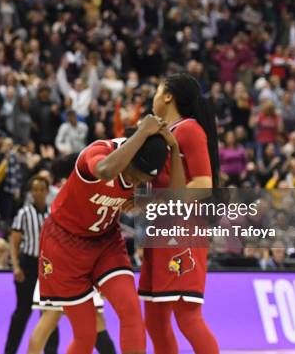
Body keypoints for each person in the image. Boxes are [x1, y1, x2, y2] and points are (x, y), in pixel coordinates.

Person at [38, 115, 184, 354]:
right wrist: (141, 133)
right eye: (134, 175)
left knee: (132, 313)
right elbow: (105, 172)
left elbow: (177, 198)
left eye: (142, 180)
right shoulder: (98, 152)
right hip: (65, 243)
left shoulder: (146, 163)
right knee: (85, 337)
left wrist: (174, 147)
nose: (135, 182)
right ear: (130, 150)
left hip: (106, 240)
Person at [139, 73, 220, 354]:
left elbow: (202, 184)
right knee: (154, 319)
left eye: (157, 89)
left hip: (183, 229)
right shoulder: (159, 132)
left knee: (187, 317)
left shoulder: (189, 129)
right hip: (160, 230)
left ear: (168, 96)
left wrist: (163, 205)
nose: (153, 95)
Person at [4, 175, 59, 354]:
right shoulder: (24, 213)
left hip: (49, 267)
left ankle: (51, 351)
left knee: (49, 312)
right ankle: (10, 351)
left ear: (47, 191)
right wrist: (16, 266)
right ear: (31, 192)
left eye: (41, 189)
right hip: (28, 264)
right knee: (22, 312)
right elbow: (14, 242)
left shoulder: (55, 212)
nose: (38, 193)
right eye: (34, 189)